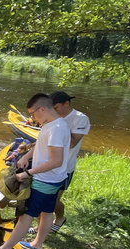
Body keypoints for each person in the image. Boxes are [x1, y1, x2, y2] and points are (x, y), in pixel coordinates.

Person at [0, 93, 70, 249]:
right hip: (54, 179)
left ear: (42, 109)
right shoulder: (51, 124)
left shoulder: (57, 128)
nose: (32, 117)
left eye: (32, 113)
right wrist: (26, 156)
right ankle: (37, 245)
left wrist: (28, 173)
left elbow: (56, 161)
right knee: (46, 211)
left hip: (46, 179)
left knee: (26, 214)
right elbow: (41, 144)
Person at [45, 91, 90, 233]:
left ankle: (60, 218)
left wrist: (59, 122)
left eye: (56, 108)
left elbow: (71, 143)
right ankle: (41, 225)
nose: (54, 111)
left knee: (53, 200)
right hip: (47, 164)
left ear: (67, 103)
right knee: (43, 198)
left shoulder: (80, 119)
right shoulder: (52, 117)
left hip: (65, 167)